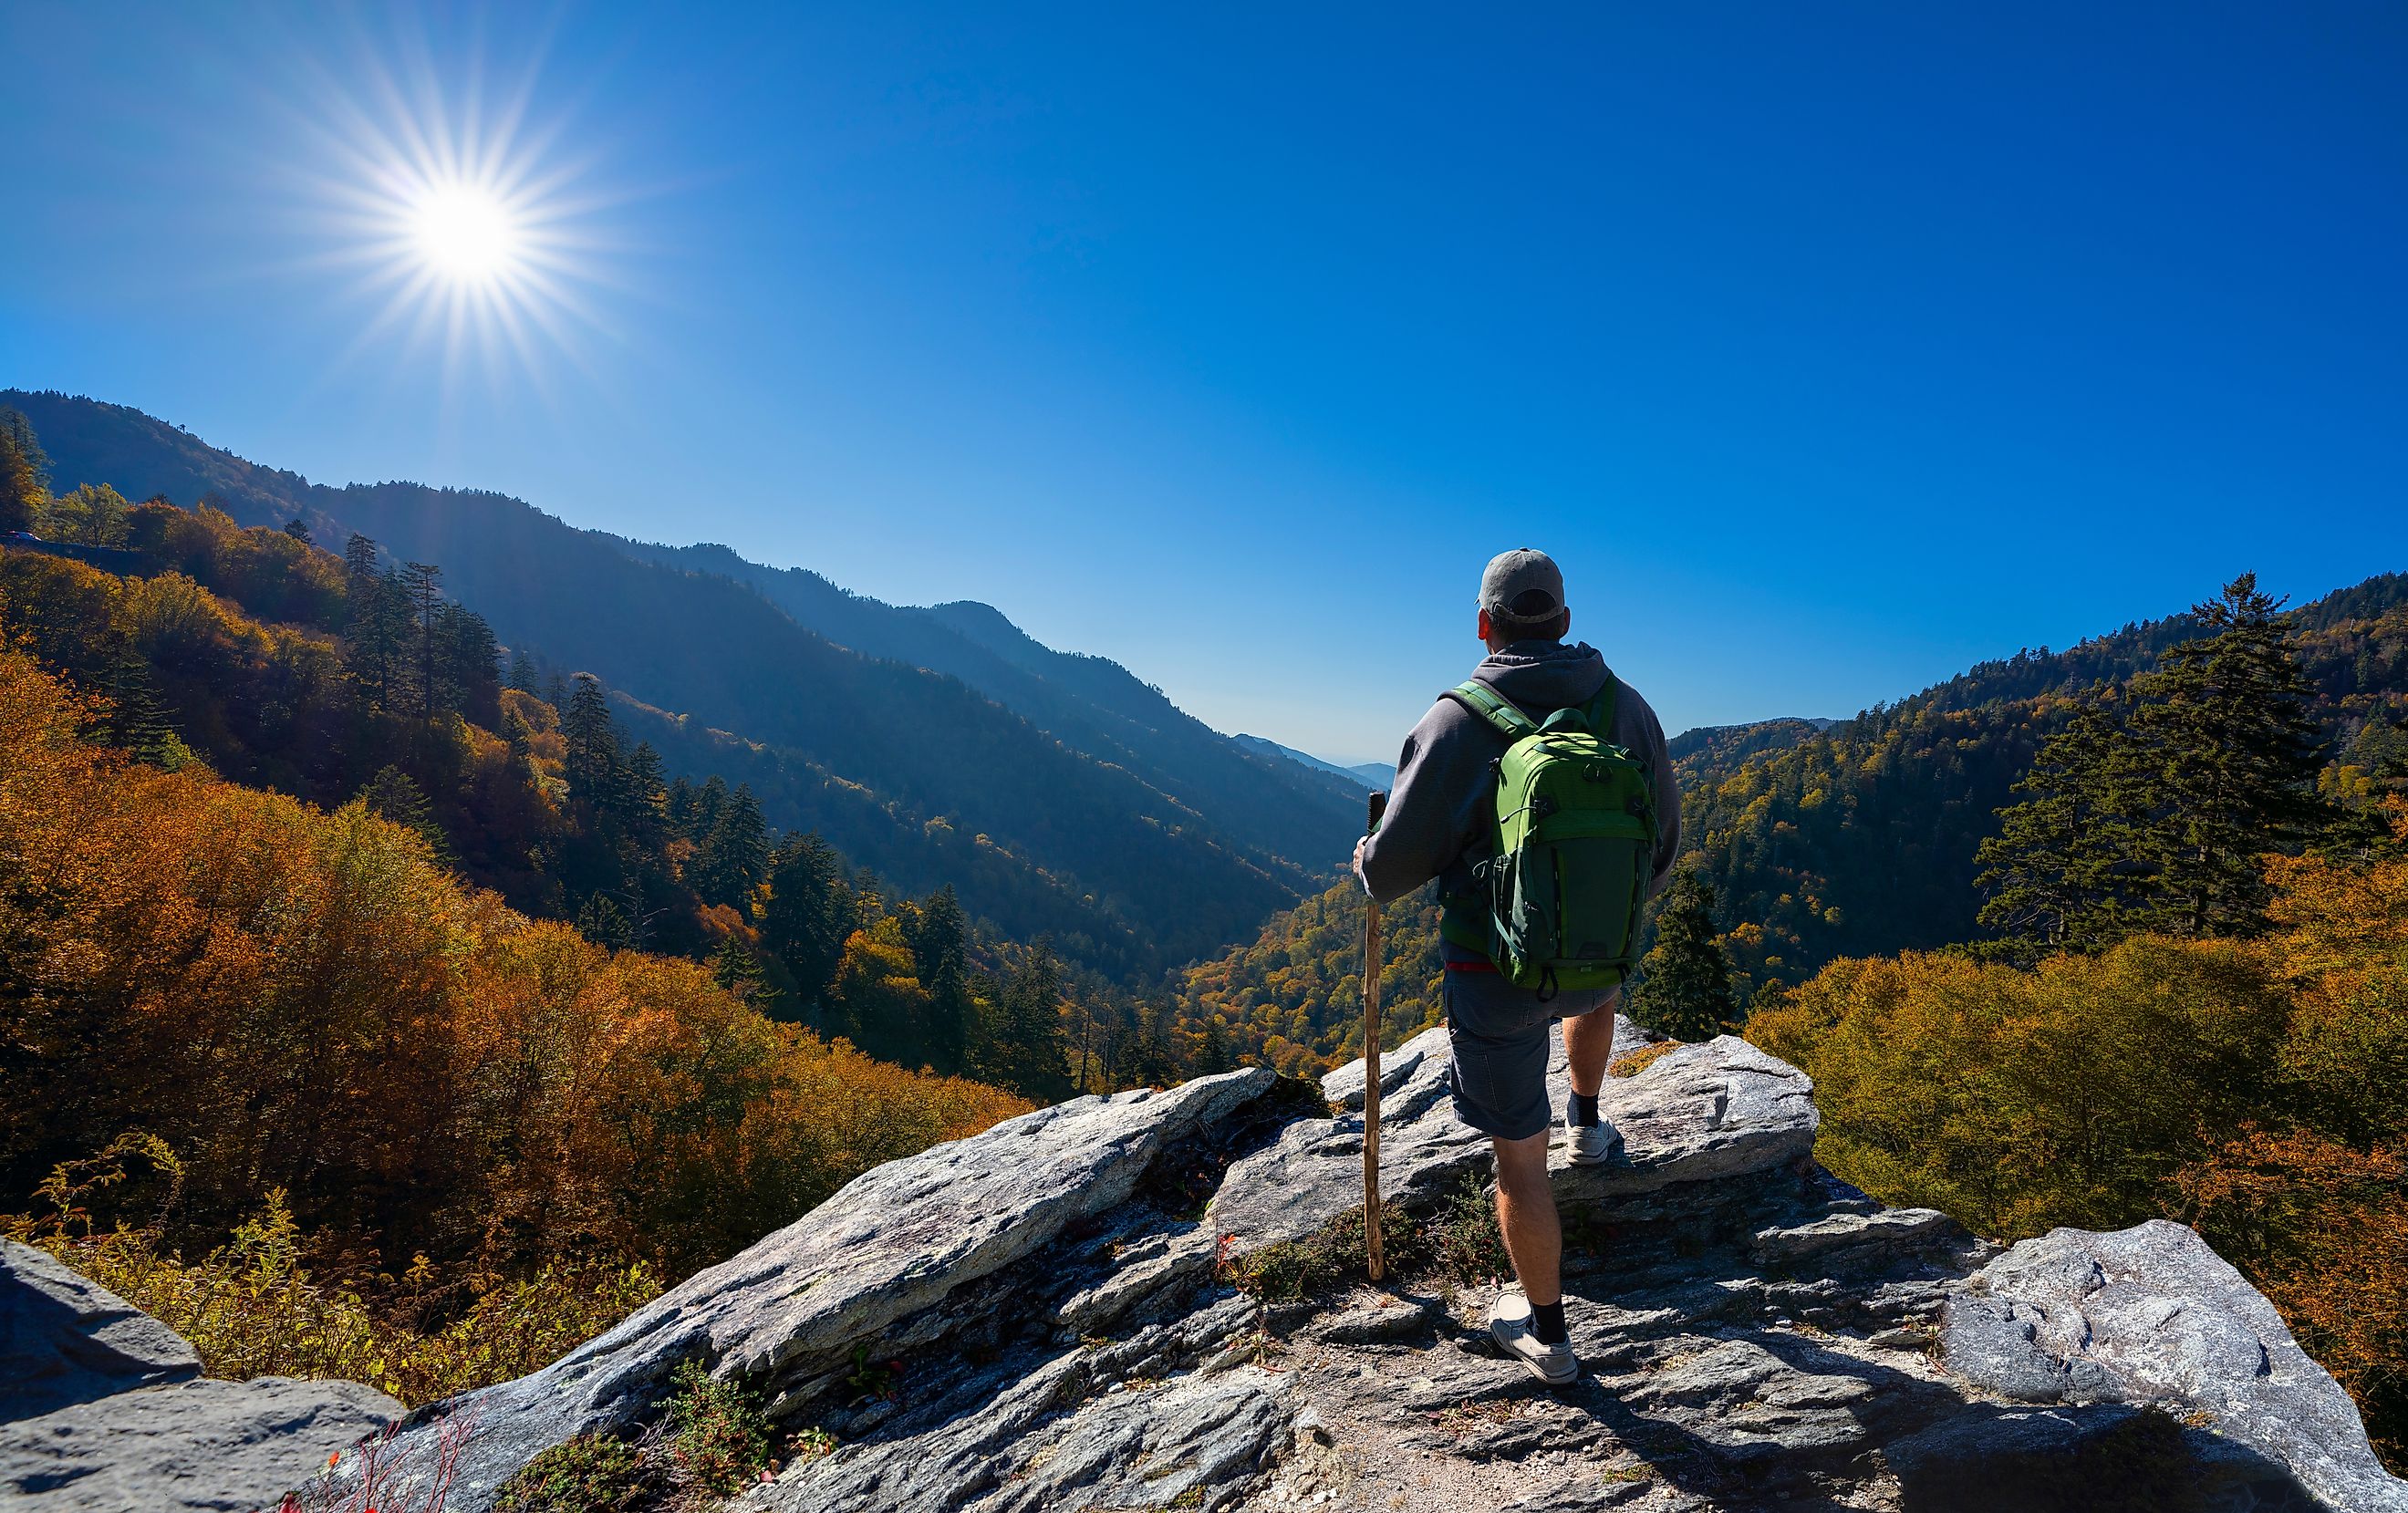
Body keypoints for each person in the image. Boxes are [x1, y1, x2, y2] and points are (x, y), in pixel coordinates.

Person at [1353, 547, 1681, 1383]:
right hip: (1599, 960)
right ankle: (1589, 1120)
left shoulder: (1456, 722)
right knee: (1588, 992)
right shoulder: (1628, 711)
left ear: (1484, 624)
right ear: (1565, 621)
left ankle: (1549, 1336)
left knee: (1517, 1164)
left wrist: (1365, 855)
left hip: (1491, 976)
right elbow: (1662, 848)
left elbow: (1391, 873)